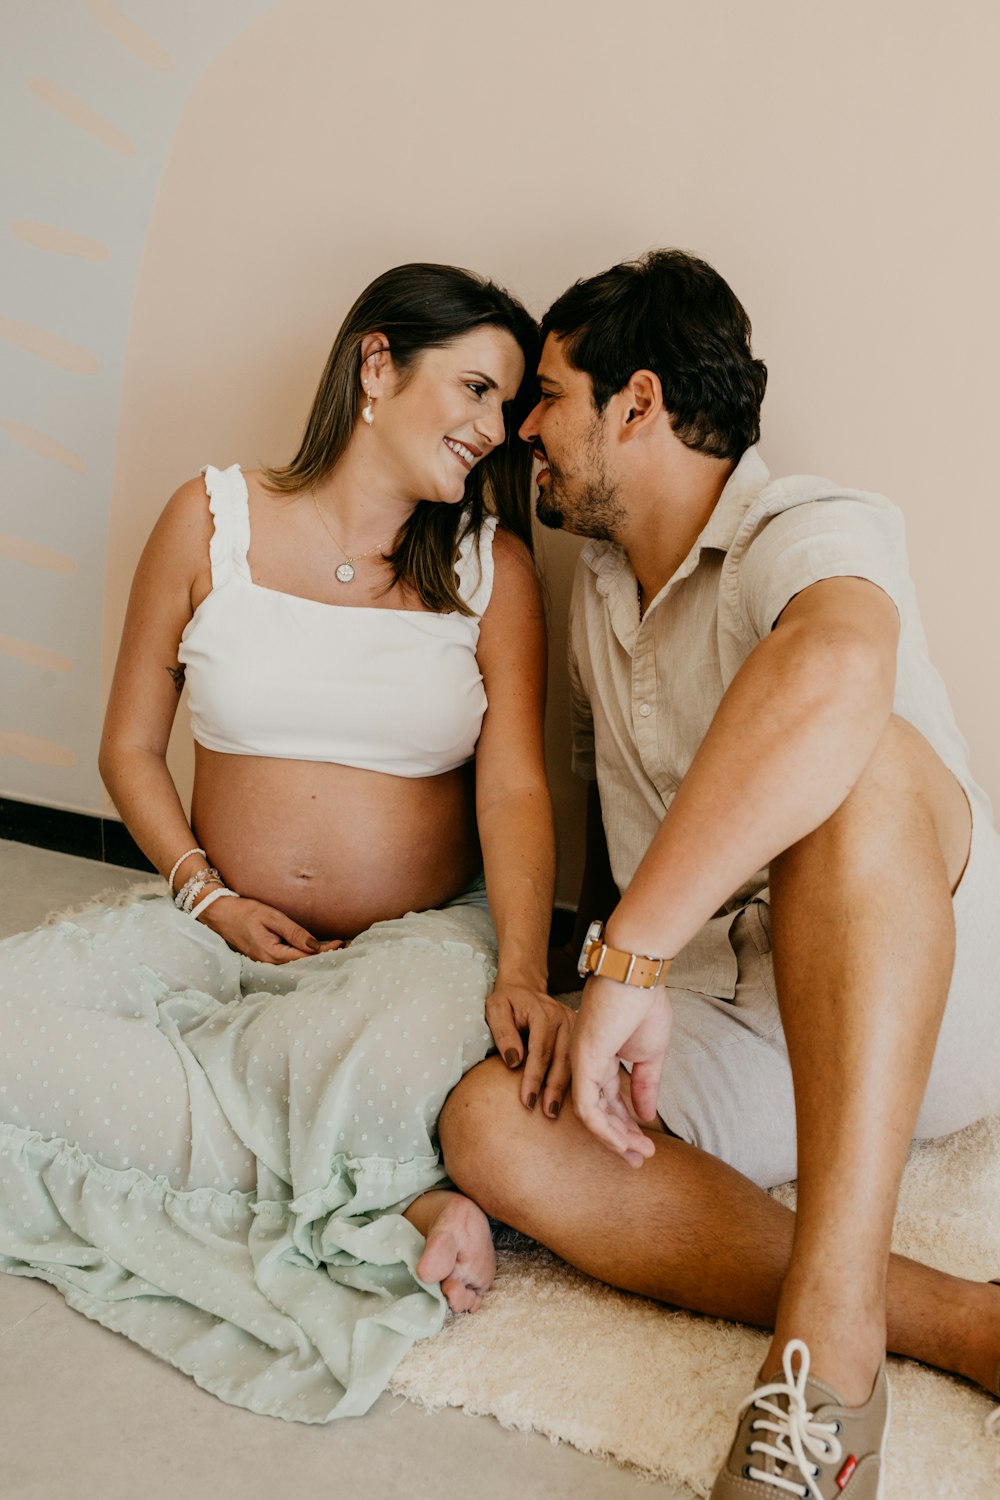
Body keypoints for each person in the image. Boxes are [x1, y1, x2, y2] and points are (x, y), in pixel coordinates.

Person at [440, 250, 1000, 1495]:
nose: (519, 428)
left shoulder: (810, 523)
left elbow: (839, 674)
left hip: (927, 994)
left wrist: (626, 957)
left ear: (635, 404)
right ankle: (965, 1323)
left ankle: (830, 1352)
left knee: (853, 761)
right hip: (735, 1018)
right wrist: (564, 982)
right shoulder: (591, 586)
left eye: (544, 394)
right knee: (495, 1124)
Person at [0, 262, 573, 1422]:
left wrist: (517, 967)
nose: (491, 430)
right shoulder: (207, 516)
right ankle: (364, 1192)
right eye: (472, 388)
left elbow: (513, 789)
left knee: (382, 1066)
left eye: (507, 407)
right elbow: (128, 749)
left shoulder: (488, 568)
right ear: (375, 364)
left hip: (417, 945)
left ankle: (305, 1142)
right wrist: (205, 896)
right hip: (213, 925)